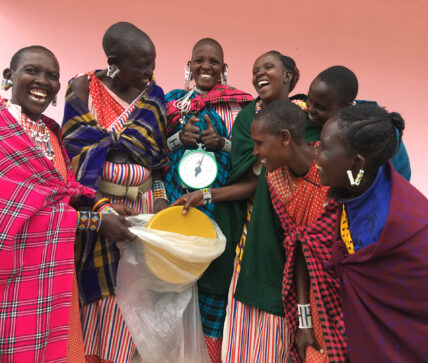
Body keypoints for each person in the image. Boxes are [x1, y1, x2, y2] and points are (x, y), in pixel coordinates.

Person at [174, 51, 311, 362]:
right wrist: (205, 194)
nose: (259, 73)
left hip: (295, 230)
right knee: (246, 333)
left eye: (268, 67)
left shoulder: (307, 114)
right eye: (255, 69)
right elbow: (250, 178)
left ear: (289, 75)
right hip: (253, 234)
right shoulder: (248, 117)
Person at [0, 46, 135, 362]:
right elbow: (10, 206)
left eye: (52, 76)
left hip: (56, 271)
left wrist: (102, 207)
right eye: (32, 71)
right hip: (12, 276)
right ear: (9, 77)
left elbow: (64, 189)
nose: (42, 82)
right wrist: (96, 223)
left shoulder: (49, 131)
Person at [61, 22, 168, 362]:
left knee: (143, 291)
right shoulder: (82, 88)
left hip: (145, 205)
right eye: (140, 64)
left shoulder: (154, 96)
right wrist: (103, 208)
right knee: (107, 292)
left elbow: (159, 158)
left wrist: (161, 196)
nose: (149, 72)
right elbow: (75, 151)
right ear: (113, 61)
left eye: (152, 62)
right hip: (98, 207)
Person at [316, 103, 428, 362]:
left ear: (356, 162)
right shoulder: (361, 182)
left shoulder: (385, 224)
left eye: (325, 148)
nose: (316, 155)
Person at [164, 37, 253, 362]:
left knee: (213, 287)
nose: (206, 66)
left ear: (224, 69)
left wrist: (224, 144)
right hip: (176, 207)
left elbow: (251, 158)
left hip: (221, 210)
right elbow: (153, 151)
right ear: (189, 65)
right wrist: (177, 138)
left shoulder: (240, 108)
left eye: (213, 61)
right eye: (199, 60)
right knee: (172, 284)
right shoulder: (172, 102)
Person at [252, 100, 347, 362]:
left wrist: (356, 173)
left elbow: (364, 181)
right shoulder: (276, 180)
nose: (255, 152)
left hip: (353, 293)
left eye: (260, 143)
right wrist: (304, 321)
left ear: (284, 138)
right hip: (319, 298)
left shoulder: (335, 169)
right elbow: (300, 250)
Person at [306, 65, 411, 180]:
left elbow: (359, 181)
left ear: (346, 107)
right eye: (309, 99)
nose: (310, 109)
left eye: (320, 107)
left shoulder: (370, 133)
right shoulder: (326, 114)